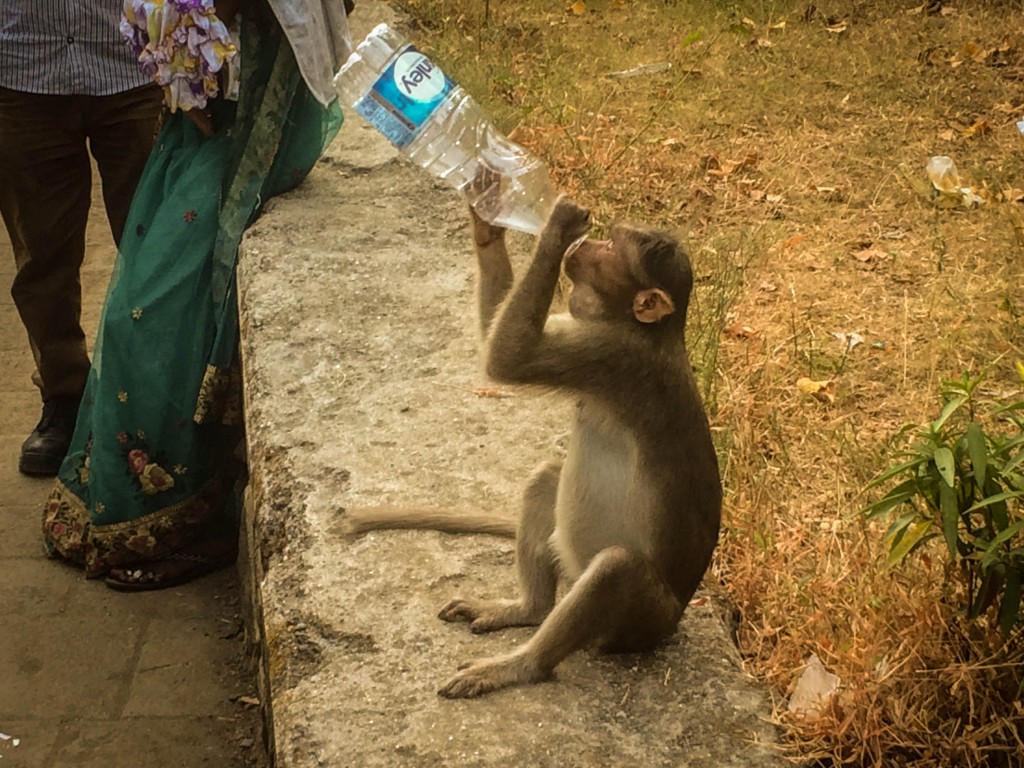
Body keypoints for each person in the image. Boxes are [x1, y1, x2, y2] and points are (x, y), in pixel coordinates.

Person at [41, 0, 352, 590]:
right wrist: (180, 65)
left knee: (156, 316)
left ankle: (192, 516)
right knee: (135, 314)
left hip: (254, 129)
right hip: (199, 127)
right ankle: (153, 504)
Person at [0, 2, 164, 476]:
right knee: (41, 256)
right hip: (22, 72)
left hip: (135, 66)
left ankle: (155, 400)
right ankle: (64, 397)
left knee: (156, 247)